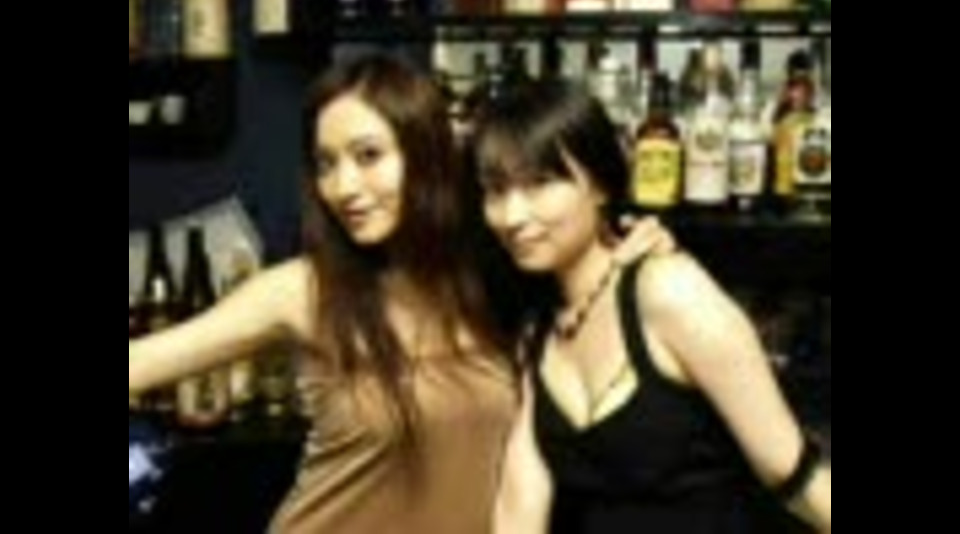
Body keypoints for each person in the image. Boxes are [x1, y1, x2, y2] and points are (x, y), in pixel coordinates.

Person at [128, 53, 670, 534]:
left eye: (368, 156)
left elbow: (593, 270)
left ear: (425, 152)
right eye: (326, 164)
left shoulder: (492, 275)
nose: (344, 187)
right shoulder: (306, 289)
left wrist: (635, 245)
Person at [473, 80, 832, 534]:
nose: (512, 215)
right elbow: (520, 508)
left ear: (600, 184)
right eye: (496, 190)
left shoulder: (668, 290)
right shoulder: (538, 333)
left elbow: (791, 470)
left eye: (540, 183)